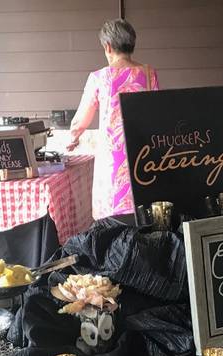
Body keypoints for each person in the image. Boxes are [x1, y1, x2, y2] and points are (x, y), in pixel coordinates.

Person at [67, 19, 159, 219]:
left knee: (113, 219)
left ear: (108, 47)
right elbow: (155, 111)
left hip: (112, 160)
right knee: (143, 214)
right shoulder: (148, 73)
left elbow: (80, 121)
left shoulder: (100, 77)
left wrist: (72, 138)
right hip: (143, 153)